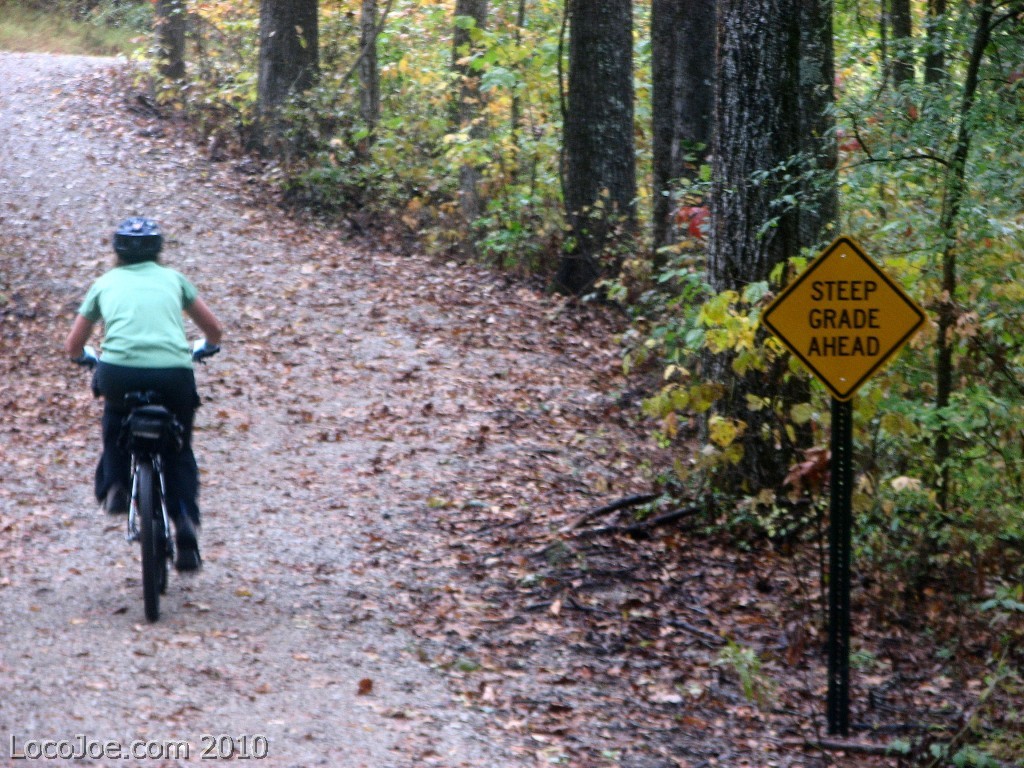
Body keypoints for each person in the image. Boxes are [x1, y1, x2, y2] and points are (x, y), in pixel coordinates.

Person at [65, 217, 223, 572]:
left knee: (116, 422)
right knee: (178, 448)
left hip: (118, 372)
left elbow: (74, 344)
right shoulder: (174, 279)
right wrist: (206, 347)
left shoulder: (104, 283)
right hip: (174, 375)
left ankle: (117, 486)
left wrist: (82, 357)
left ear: (116, 251)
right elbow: (214, 329)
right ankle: (183, 518)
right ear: (159, 249)